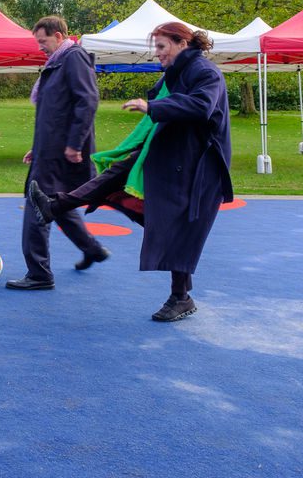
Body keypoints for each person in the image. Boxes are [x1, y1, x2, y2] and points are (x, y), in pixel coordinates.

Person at [27, 22, 233, 321]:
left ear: (181, 44)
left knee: (179, 230)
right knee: (118, 174)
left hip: (198, 168)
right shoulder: (178, 74)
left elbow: (201, 106)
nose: (158, 54)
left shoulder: (204, 72)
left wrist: (152, 107)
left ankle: (181, 297)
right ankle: (54, 205)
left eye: (162, 47)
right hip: (173, 154)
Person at [6, 16, 110, 291]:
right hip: (51, 151)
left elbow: (87, 101)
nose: (40, 47)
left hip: (63, 153)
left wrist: (75, 144)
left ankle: (39, 273)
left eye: (44, 41)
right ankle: (92, 249)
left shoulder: (73, 59)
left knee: (37, 205)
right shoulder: (59, 62)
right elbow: (55, 113)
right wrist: (38, 147)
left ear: (60, 36)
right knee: (57, 206)